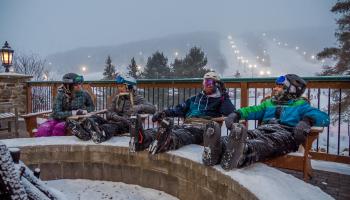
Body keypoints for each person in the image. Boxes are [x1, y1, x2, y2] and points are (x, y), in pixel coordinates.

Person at [202, 74, 330, 170]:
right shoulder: (269, 103)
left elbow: (324, 117)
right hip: (263, 129)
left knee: (265, 142)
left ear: (292, 90)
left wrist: (306, 121)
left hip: (285, 134)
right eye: (275, 86)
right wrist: (237, 113)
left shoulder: (301, 105)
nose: (275, 89)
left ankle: (242, 153)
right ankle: (216, 148)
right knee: (246, 135)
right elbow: (253, 110)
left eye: (280, 87)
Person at [129, 71, 236, 155]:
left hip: (203, 128)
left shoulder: (220, 100)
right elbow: (179, 109)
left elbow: (231, 112)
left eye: (210, 82)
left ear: (217, 85)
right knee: (170, 129)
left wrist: (224, 94)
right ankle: (143, 139)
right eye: (205, 82)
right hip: (187, 123)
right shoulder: (194, 99)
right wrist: (164, 113)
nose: (207, 85)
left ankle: (168, 141)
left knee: (183, 134)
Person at [71, 74, 156, 143]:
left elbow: (152, 109)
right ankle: (82, 130)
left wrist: (138, 107)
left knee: (112, 126)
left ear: (130, 87)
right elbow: (109, 112)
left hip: (126, 125)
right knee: (94, 118)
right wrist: (115, 116)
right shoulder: (118, 98)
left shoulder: (137, 98)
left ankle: (101, 135)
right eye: (119, 86)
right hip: (113, 121)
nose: (119, 88)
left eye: (122, 86)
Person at [35, 73, 95, 137]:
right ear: (68, 86)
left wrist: (84, 111)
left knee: (59, 128)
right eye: (75, 84)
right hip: (57, 119)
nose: (79, 86)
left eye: (80, 83)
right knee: (43, 129)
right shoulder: (61, 95)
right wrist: (73, 112)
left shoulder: (84, 94)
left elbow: (91, 107)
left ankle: (57, 145)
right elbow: (56, 113)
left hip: (73, 120)